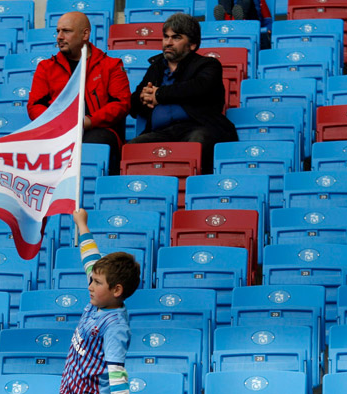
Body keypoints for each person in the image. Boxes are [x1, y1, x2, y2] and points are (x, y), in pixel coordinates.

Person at [128, 13, 237, 174]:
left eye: (176, 38)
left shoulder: (208, 65)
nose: (168, 43)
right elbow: (134, 106)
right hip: (161, 132)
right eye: (166, 37)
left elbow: (198, 88)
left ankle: (194, 191)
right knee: (132, 149)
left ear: (192, 44)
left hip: (197, 127)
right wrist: (144, 97)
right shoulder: (156, 67)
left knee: (197, 144)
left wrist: (159, 95)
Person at [27, 12, 131, 175]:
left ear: (85, 34)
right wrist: (58, 123)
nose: (59, 37)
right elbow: (35, 106)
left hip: (97, 129)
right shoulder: (46, 68)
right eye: (58, 31)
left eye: (66, 31)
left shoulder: (111, 66)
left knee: (92, 145)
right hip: (57, 130)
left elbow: (121, 104)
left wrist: (87, 122)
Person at [61, 208, 141, 394]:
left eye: (96, 282)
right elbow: (90, 257)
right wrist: (82, 224)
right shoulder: (100, 297)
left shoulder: (115, 327)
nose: (90, 286)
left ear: (116, 290)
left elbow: (117, 374)